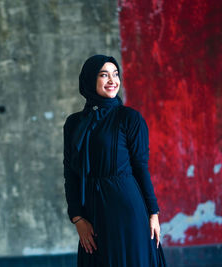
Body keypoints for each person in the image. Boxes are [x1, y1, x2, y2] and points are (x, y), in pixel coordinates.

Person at [63, 55, 167, 266]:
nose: (112, 80)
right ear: (90, 80)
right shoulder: (74, 123)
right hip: (92, 211)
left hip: (127, 209)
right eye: (104, 75)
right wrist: (77, 218)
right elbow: (70, 173)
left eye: (116, 74)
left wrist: (153, 213)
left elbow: (140, 168)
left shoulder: (129, 118)